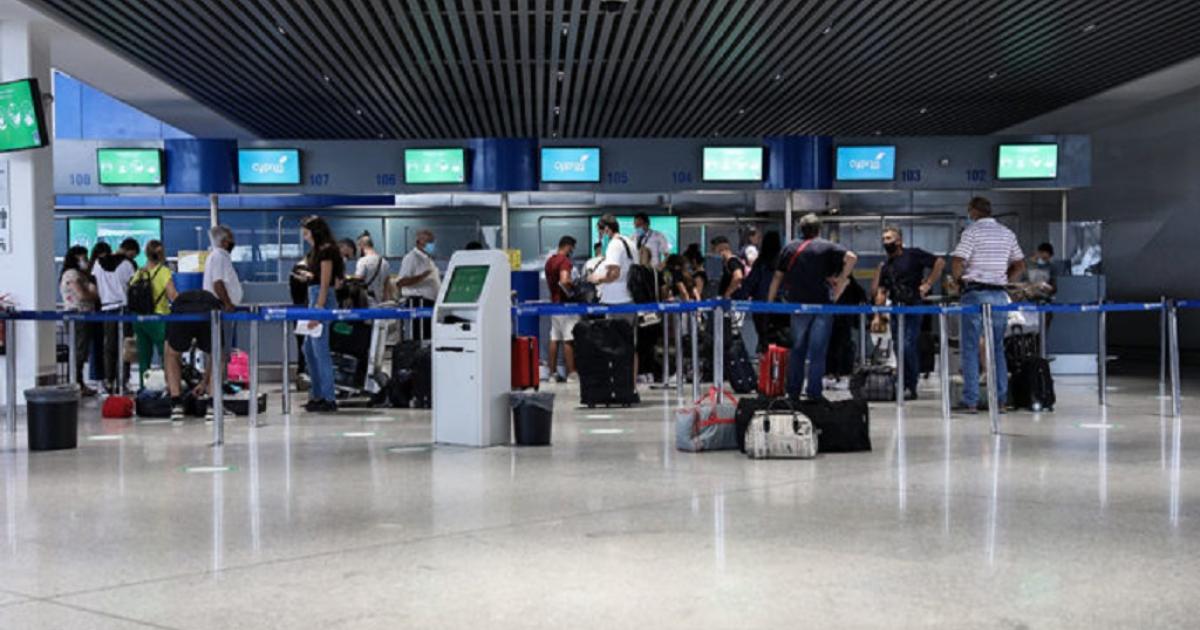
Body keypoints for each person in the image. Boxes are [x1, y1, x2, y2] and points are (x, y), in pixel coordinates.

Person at [767, 213, 858, 401]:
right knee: (818, 351)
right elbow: (851, 257)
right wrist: (842, 278)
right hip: (822, 305)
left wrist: (769, 302)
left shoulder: (790, 248)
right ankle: (814, 393)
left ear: (801, 229)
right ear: (819, 229)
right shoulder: (827, 246)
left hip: (798, 305)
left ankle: (793, 392)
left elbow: (777, 276)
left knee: (797, 350)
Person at [950, 196, 1026, 414]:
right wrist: (1004, 278)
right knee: (997, 347)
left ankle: (971, 401)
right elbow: (1020, 264)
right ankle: (1000, 400)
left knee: (971, 347)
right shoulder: (1007, 233)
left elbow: (958, 261)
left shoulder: (971, 232)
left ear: (973, 211)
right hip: (999, 295)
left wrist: (958, 281)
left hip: (975, 294)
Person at [870, 226, 945, 400]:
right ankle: (903, 383)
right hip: (896, 308)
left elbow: (939, 262)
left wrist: (928, 283)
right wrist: (877, 315)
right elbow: (882, 291)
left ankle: (911, 384)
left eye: (889, 238)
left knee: (908, 344)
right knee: (898, 346)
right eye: (883, 239)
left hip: (913, 306)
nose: (885, 242)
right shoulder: (887, 265)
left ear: (899, 241)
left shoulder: (913, 254)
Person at [300, 217, 345, 412]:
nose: (304, 235)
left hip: (321, 299)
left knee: (320, 350)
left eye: (306, 231)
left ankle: (328, 397)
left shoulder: (326, 250)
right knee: (309, 349)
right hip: (315, 297)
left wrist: (318, 309)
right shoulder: (316, 251)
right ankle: (317, 393)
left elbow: (326, 283)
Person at [591, 214, 639, 390]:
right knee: (630, 346)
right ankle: (630, 385)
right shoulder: (630, 243)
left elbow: (614, 273)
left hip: (616, 301)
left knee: (615, 346)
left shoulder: (614, 244)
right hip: (630, 299)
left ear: (607, 229)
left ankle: (618, 386)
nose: (600, 237)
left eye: (600, 232)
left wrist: (596, 278)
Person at [130, 240, 179, 389]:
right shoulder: (163, 271)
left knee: (144, 357)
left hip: (139, 320)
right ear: (161, 254)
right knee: (167, 356)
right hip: (159, 319)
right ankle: (170, 387)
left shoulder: (140, 272)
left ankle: (144, 388)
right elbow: (172, 295)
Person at [93, 241, 137, 393]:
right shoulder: (127, 264)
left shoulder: (97, 264)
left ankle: (109, 380)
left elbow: (95, 285)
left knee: (109, 347)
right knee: (125, 347)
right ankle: (123, 381)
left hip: (106, 308)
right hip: (123, 308)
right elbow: (132, 285)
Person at [59, 245, 98, 396]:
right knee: (79, 351)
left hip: (82, 315)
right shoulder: (72, 274)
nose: (86, 260)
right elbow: (81, 295)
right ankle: (75, 384)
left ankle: (78, 383)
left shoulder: (79, 274)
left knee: (80, 350)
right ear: (76, 258)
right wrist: (94, 295)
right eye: (84, 257)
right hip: (78, 316)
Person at [743, 231, 787, 352]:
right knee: (782, 339)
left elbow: (751, 283)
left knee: (764, 340)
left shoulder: (760, 262)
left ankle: (766, 358)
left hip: (761, 306)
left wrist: (741, 295)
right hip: (781, 306)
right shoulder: (783, 261)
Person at [544, 236, 579, 383]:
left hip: (554, 304)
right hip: (566, 306)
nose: (572, 251)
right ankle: (571, 374)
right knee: (568, 339)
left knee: (554, 339)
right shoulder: (564, 261)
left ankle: (552, 374)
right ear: (567, 246)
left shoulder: (549, 261)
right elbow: (564, 280)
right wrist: (575, 286)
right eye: (572, 248)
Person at [395, 229, 440, 339]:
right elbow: (401, 282)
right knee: (419, 335)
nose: (431, 245)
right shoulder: (411, 258)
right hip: (418, 302)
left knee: (428, 336)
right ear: (419, 242)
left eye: (432, 242)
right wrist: (422, 276)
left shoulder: (428, 259)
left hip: (430, 302)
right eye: (429, 242)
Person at [203, 225, 242, 312]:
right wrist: (228, 304)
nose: (233, 242)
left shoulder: (219, 256)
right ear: (224, 242)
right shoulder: (218, 256)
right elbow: (218, 283)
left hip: (221, 305)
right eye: (231, 238)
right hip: (221, 306)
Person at [353, 231, 391, 304]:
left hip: (366, 302)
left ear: (361, 246)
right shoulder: (385, 262)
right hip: (381, 302)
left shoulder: (363, 261)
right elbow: (386, 287)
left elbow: (358, 281)